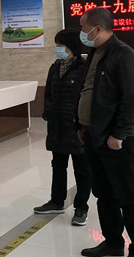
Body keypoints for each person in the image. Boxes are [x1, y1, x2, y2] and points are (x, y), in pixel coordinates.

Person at [77, 8, 134, 257]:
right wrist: (81, 125)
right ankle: (112, 242)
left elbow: (131, 99)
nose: (82, 33)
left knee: (127, 196)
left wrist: (119, 135)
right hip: (93, 135)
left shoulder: (123, 54)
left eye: (83, 28)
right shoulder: (94, 53)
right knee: (104, 193)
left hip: (114, 139)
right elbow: (88, 91)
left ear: (97, 28)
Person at [34, 29, 91, 226]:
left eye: (61, 45)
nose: (58, 48)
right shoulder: (56, 66)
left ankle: (81, 208)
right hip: (57, 126)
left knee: (81, 168)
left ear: (72, 46)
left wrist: (83, 122)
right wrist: (47, 111)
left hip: (76, 126)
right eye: (57, 45)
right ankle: (56, 201)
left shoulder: (84, 68)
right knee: (58, 165)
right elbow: (48, 93)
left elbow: (87, 96)